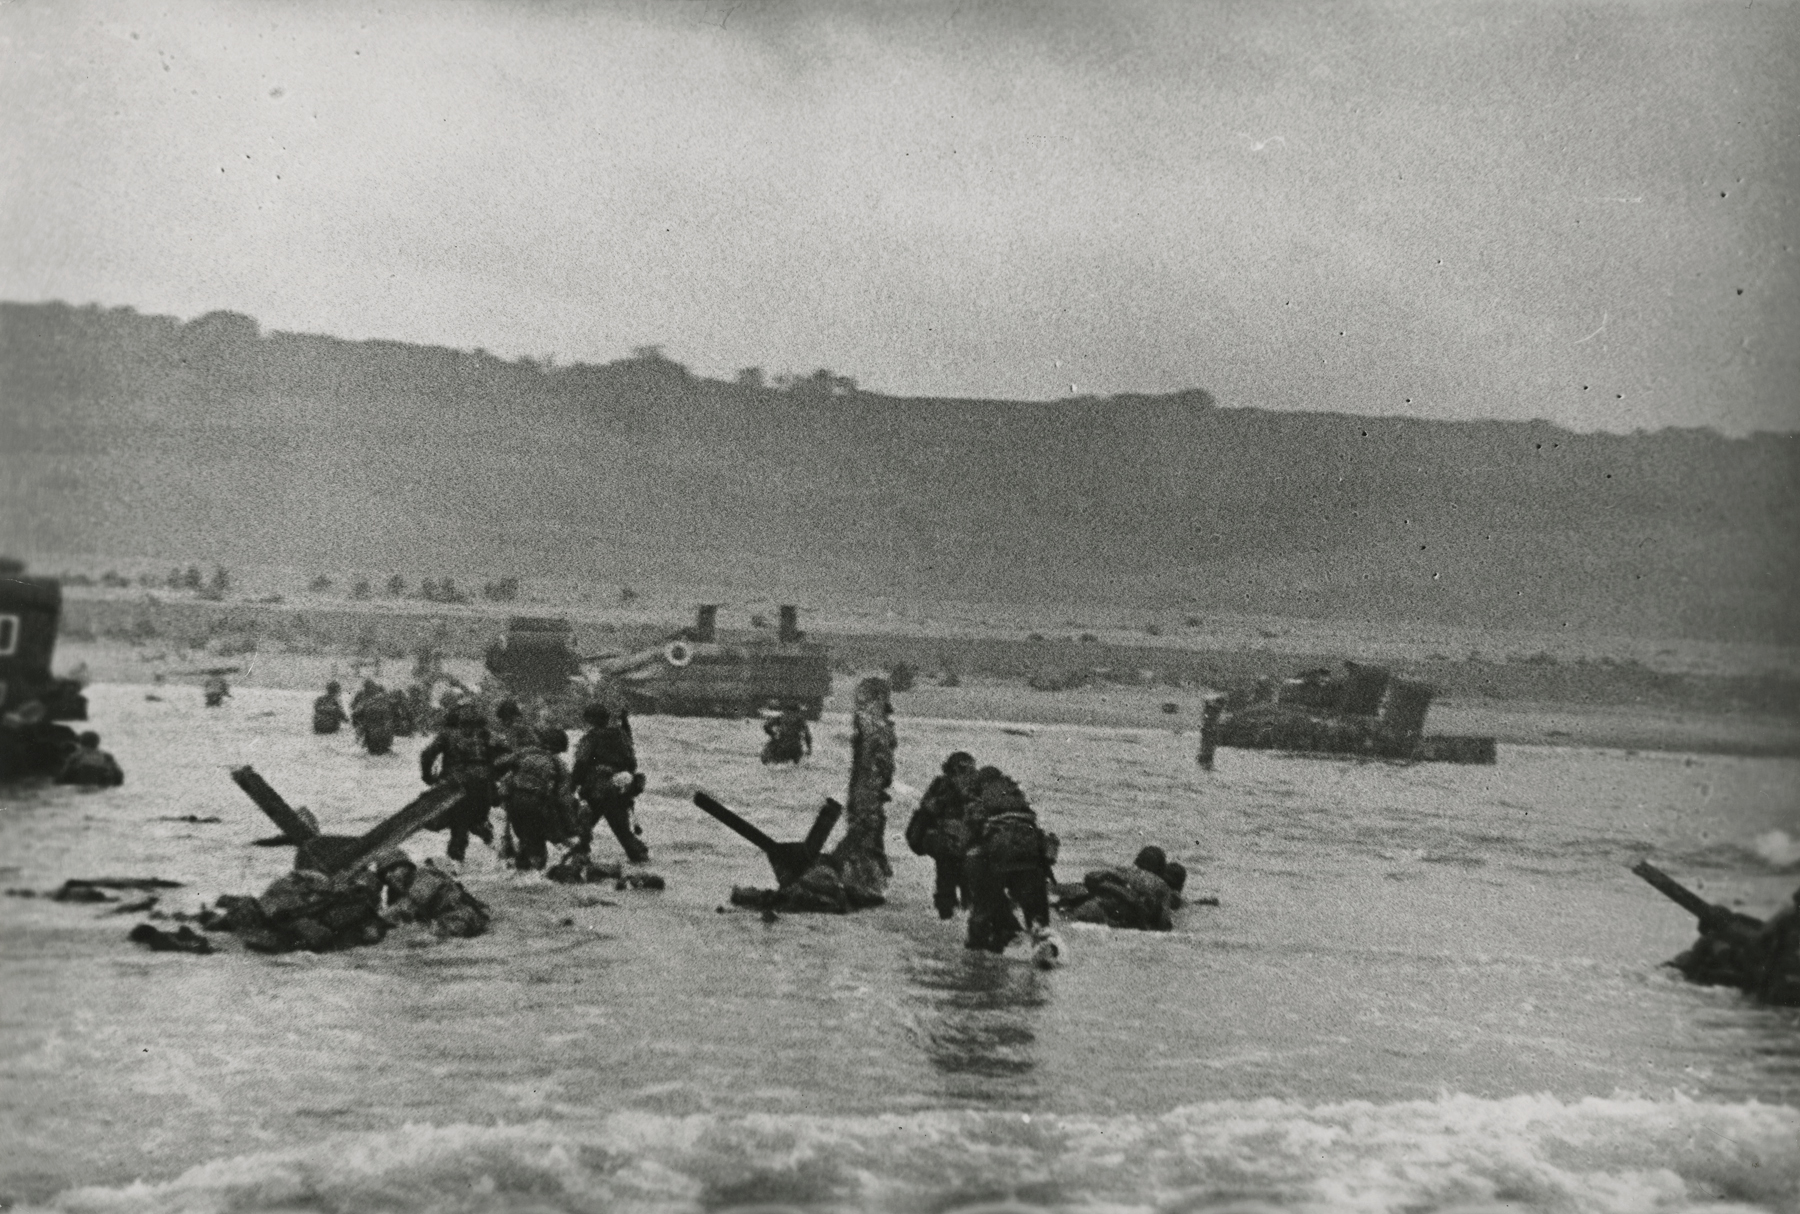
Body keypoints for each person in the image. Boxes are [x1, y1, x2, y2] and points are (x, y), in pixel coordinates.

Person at [961, 766, 1056, 954]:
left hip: (998, 857)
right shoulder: (1016, 796)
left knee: (983, 908)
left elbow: (967, 839)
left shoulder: (979, 798)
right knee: (1036, 915)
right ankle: (1043, 943)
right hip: (1030, 857)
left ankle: (977, 950)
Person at [419, 703, 499, 862]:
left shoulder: (447, 734)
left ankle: (456, 864)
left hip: (458, 786)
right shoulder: (486, 735)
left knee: (459, 827)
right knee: (479, 820)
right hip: (483, 785)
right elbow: (500, 757)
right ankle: (496, 851)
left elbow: (427, 755)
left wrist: (428, 777)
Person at [570, 703, 649, 863]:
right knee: (622, 831)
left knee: (583, 829)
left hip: (596, 791)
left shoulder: (591, 738)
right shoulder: (621, 736)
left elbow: (581, 764)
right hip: (620, 790)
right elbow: (632, 764)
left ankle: (577, 862)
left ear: (590, 720)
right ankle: (641, 861)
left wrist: (572, 785)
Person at [905, 751, 978, 919]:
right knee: (950, 878)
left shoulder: (969, 787)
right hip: (949, 843)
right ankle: (950, 911)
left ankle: (956, 910)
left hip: (958, 843)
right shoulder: (942, 786)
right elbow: (928, 809)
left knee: (957, 879)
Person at [495, 727, 574, 871]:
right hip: (537, 804)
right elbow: (564, 799)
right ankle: (534, 872)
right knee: (537, 843)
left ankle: (521, 868)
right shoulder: (559, 764)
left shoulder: (524, 753)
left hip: (514, 803)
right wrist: (569, 824)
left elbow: (498, 764)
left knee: (524, 839)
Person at [1060, 846, 1183, 931]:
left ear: (1137, 860)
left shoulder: (1122, 870)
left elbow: (1090, 878)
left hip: (1089, 905)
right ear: (1161, 870)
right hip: (1115, 917)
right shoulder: (1161, 886)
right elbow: (1164, 924)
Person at [55, 731, 124, 787]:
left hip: (80, 784)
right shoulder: (106, 756)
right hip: (100, 784)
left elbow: (62, 776)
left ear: (81, 743)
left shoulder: (76, 756)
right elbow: (119, 776)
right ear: (97, 743)